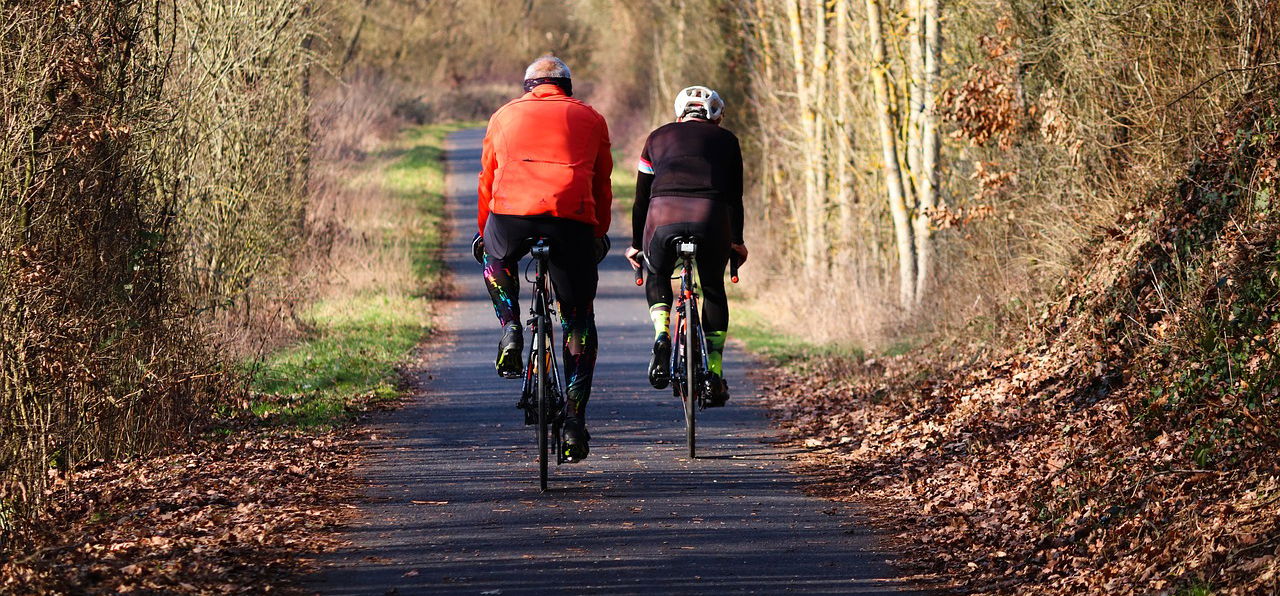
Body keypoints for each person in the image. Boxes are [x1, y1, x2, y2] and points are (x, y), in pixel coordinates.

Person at [473, 56, 613, 462]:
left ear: (528, 86)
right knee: (578, 319)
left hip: (512, 215)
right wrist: (598, 232)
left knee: (495, 259)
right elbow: (601, 182)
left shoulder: (504, 115)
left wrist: (486, 232)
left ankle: (511, 327)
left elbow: (487, 178)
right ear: (566, 87)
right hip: (570, 220)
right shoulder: (592, 118)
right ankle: (573, 419)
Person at [624, 85, 746, 407]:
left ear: (680, 113)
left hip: (664, 216)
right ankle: (715, 372)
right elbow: (735, 198)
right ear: (715, 116)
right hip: (712, 218)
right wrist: (737, 242)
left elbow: (640, 200)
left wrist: (637, 245)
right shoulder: (728, 141)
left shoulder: (656, 138)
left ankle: (663, 334)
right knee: (713, 289)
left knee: (657, 273)